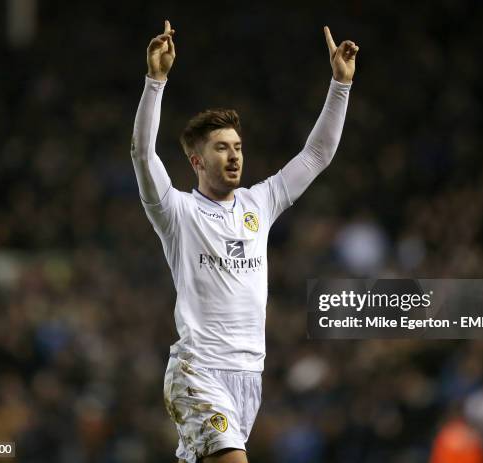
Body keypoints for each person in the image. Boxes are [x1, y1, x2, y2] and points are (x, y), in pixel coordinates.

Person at [131, 19, 358, 463]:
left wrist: (340, 85)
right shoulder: (176, 212)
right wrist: (155, 81)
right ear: (197, 160)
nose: (234, 154)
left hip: (248, 374)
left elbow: (317, 154)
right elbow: (143, 153)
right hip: (198, 370)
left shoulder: (261, 202)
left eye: (237, 146)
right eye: (221, 147)